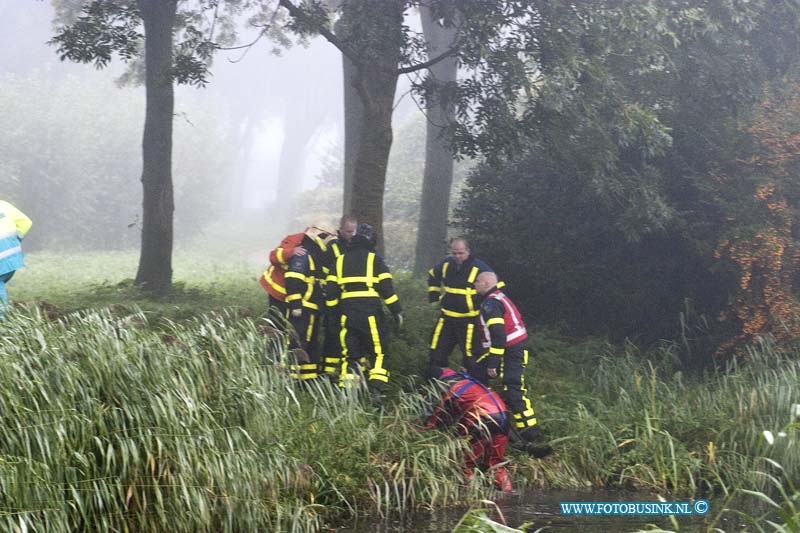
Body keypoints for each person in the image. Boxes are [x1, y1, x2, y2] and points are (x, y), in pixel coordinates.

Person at [325, 223, 402, 405]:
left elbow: (331, 293)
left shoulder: (340, 260)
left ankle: (348, 397)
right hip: (370, 314)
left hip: (347, 314)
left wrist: (333, 317)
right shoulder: (376, 260)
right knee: (379, 353)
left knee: (350, 356)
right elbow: (387, 290)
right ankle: (377, 392)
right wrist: (397, 311)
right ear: (370, 240)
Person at [475, 271, 550, 454]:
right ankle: (520, 429)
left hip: (511, 350)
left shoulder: (491, 304)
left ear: (485, 283)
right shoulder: (497, 297)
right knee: (509, 388)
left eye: (477, 281)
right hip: (514, 348)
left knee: (513, 388)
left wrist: (493, 362)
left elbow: (498, 335)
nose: (474, 284)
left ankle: (531, 433)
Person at [260, 222, 336, 381]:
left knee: (290, 334)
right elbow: (274, 256)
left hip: (292, 296)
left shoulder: (314, 251)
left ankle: (291, 374)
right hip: (278, 292)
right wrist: (291, 252)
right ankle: (272, 369)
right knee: (277, 331)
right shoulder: (296, 241)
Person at [424, 367, 512, 491]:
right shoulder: (470, 381)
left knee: (465, 464)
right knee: (496, 465)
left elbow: (438, 413)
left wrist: (425, 428)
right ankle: (508, 496)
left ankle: (470, 496)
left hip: (482, 419)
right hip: (504, 418)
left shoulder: (448, 386)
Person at [427, 239, 496, 383]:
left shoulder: (479, 267)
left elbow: (494, 286)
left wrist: (488, 310)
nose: (457, 256)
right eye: (454, 253)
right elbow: (433, 275)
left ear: (468, 251)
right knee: (436, 352)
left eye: (461, 253)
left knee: (472, 358)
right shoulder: (446, 264)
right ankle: (436, 387)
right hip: (447, 319)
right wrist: (434, 297)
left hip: (469, 321)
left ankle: (476, 391)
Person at [318, 214, 358, 378]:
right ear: (341, 230)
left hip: (350, 301)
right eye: (349, 231)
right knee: (333, 336)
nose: (352, 235)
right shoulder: (333, 247)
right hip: (334, 301)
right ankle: (328, 374)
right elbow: (324, 273)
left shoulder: (356, 247)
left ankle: (346, 371)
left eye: (354, 231)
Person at [0, 200, 32, 309]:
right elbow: (26, 222)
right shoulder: (3, 205)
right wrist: (16, 238)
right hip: (12, 258)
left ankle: (2, 320)